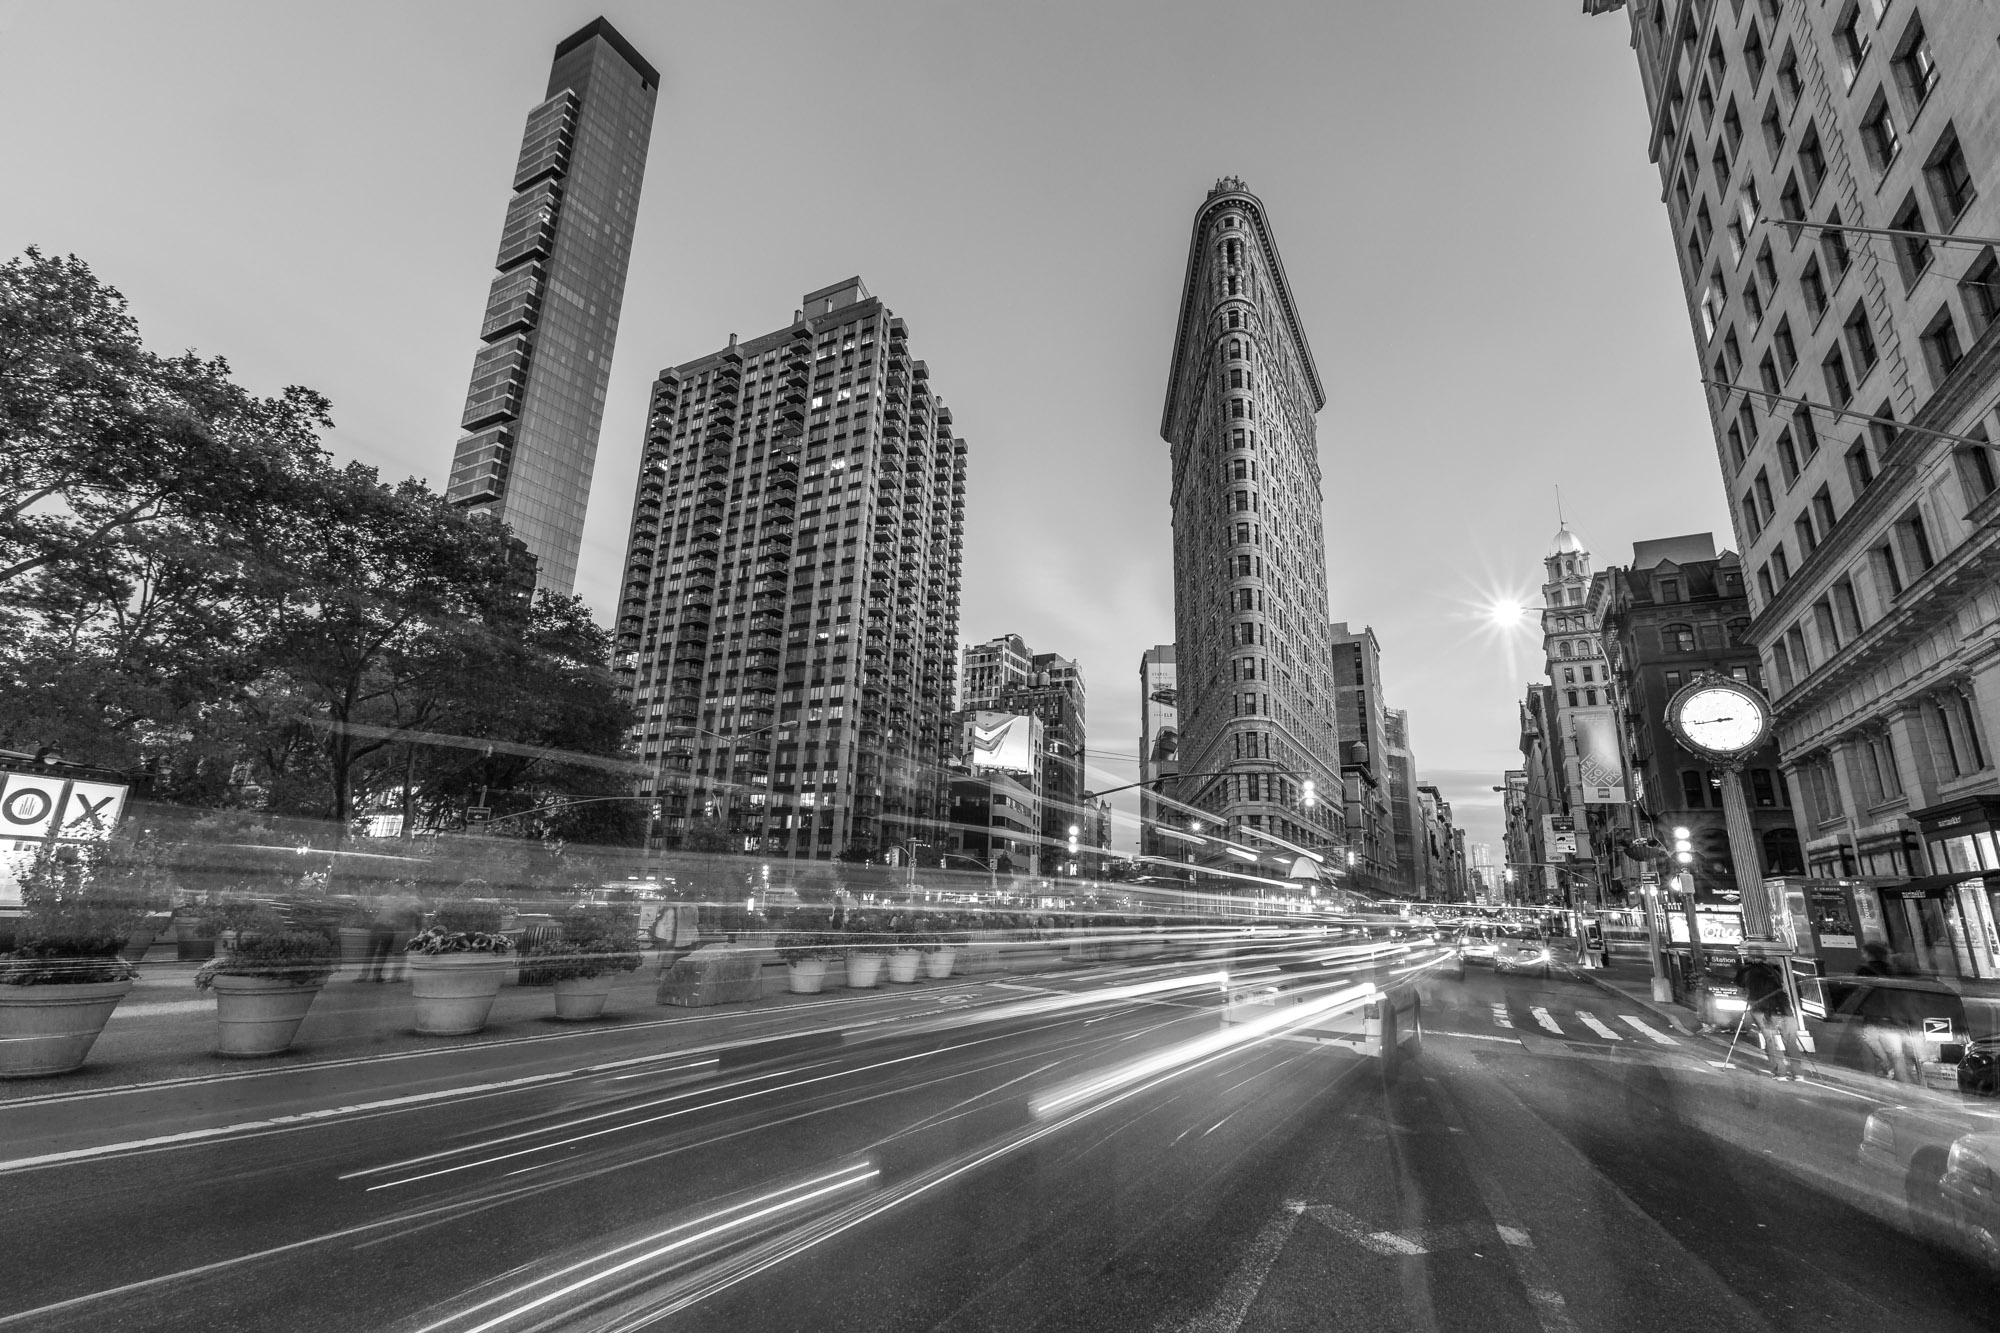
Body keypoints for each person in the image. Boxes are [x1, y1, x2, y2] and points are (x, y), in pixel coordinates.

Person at [1853, 943, 1920, 1083]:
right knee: (1897, 1055)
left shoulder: (1863, 970)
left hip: (1872, 1017)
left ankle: (1883, 1069)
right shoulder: (1891, 970)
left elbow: (1859, 992)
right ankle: (1906, 1084)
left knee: (1869, 1045)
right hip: (1892, 1019)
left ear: (1868, 954)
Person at [1735, 945, 1804, 1080]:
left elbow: (1740, 988)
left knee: (1771, 1040)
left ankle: (1780, 1072)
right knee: (1790, 1041)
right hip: (1783, 1008)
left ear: (1749, 956)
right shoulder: (1774, 969)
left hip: (1762, 1009)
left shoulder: (1746, 971)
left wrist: (1749, 999)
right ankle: (1798, 1072)